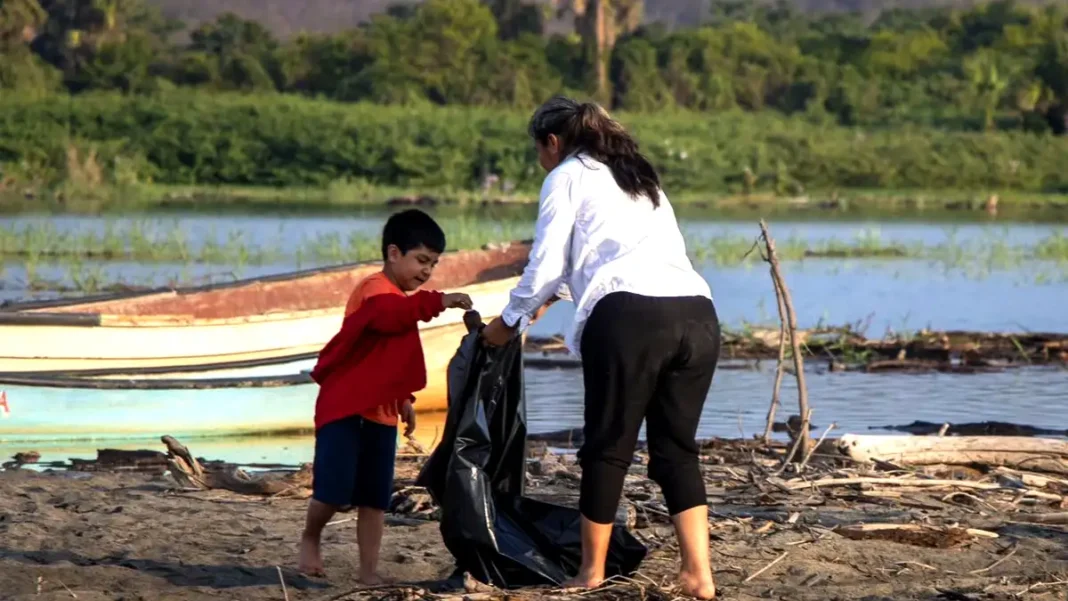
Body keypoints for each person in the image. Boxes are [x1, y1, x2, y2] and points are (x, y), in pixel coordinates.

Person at [480, 97, 721, 599]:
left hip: (631, 318)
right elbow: (615, 256)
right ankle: (699, 576)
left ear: (552, 142)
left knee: (607, 448)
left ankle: (590, 573)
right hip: (697, 313)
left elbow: (548, 263)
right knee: (676, 451)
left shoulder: (566, 175)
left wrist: (509, 321)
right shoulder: (639, 176)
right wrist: (547, 301)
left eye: (539, 151)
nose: (541, 161)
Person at [299, 209, 474, 582]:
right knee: (333, 491)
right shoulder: (375, 290)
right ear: (394, 253)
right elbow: (386, 317)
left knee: (374, 497)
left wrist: (404, 398)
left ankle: (368, 571)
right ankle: (311, 537)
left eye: (434, 264)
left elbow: (390, 360)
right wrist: (437, 301)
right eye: (421, 260)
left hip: (380, 413)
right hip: (345, 407)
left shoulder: (400, 300)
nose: (427, 271)